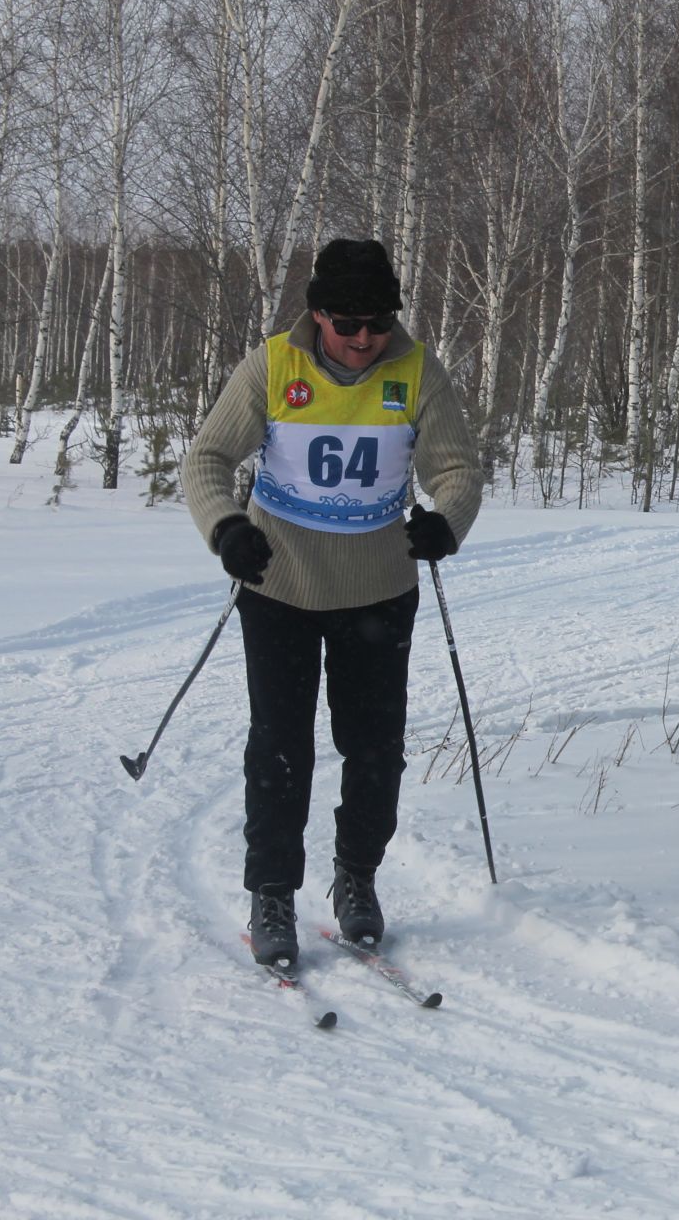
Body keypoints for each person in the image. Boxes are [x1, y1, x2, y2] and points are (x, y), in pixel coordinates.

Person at [182, 238, 482, 966]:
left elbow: (457, 468)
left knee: (374, 749)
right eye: (346, 324)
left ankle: (356, 879)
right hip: (280, 584)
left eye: (376, 323)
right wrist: (226, 529)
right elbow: (208, 459)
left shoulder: (414, 372)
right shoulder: (274, 364)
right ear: (316, 315)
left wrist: (447, 521)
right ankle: (273, 893)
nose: (361, 340)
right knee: (281, 747)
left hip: (378, 589)